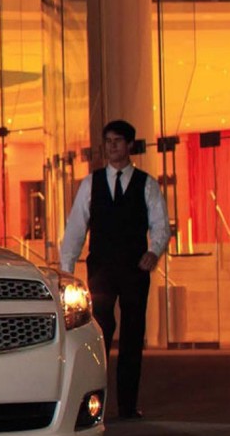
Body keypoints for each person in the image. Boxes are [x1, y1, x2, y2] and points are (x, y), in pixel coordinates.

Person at [60, 119, 170, 420]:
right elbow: (75, 229)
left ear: (130, 145)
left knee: (133, 336)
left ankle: (127, 405)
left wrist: (153, 251)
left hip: (134, 268)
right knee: (100, 336)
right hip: (102, 270)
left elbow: (161, 224)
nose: (112, 147)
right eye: (108, 141)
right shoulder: (90, 183)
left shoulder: (146, 183)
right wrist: (66, 270)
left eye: (118, 141)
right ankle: (97, 403)